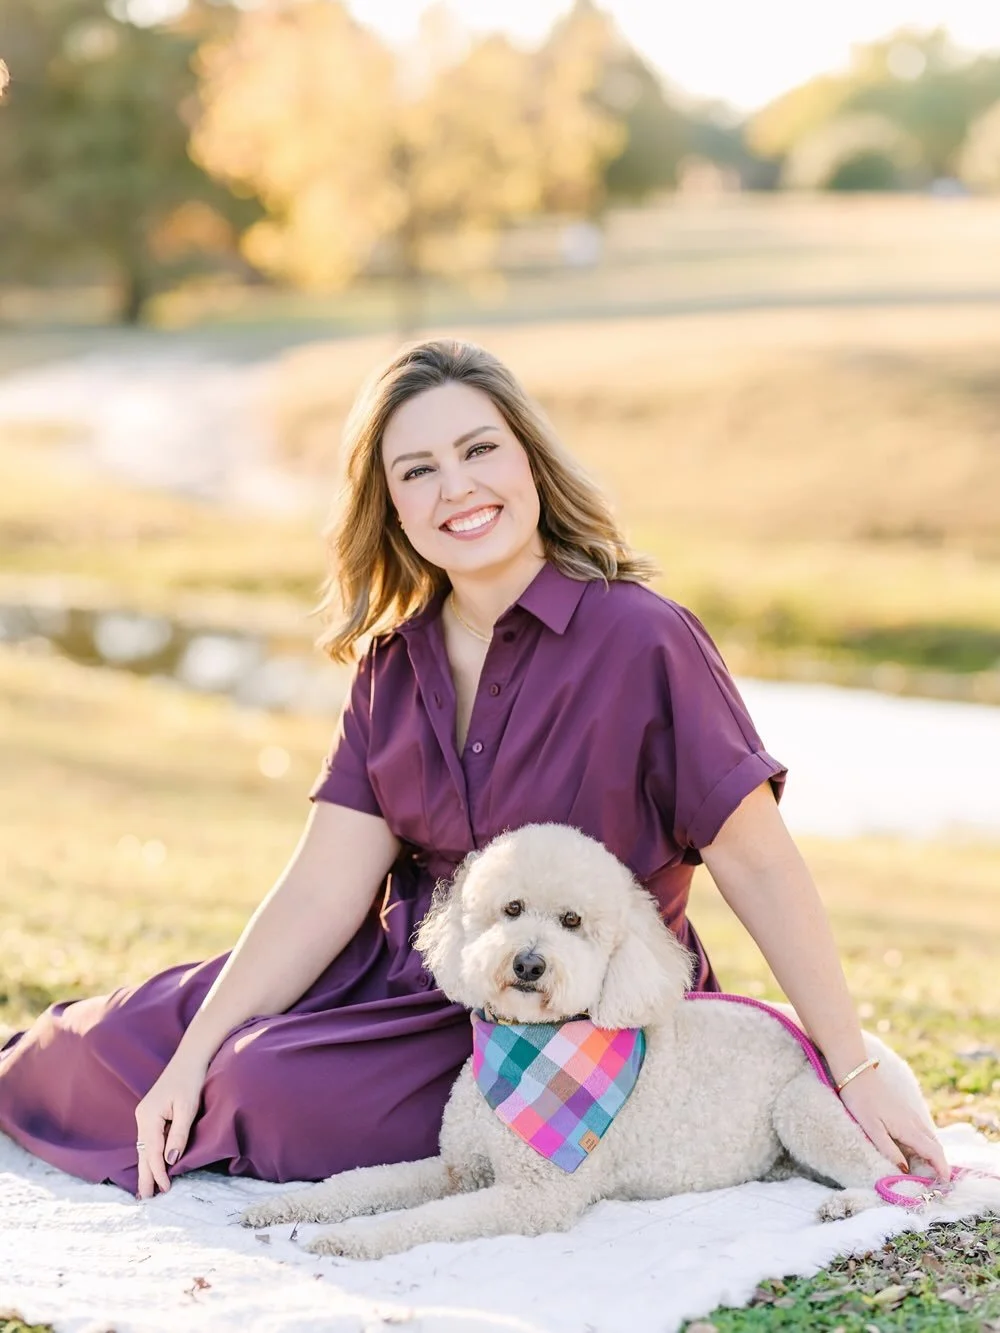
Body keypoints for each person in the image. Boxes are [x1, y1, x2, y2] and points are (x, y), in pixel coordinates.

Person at [0, 338, 947, 1201]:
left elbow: (760, 863)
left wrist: (852, 1066)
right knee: (94, 1044)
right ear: (392, 505)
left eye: (479, 450)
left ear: (528, 458)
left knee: (257, 1089)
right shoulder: (392, 660)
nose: (457, 486)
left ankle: (231, 1090)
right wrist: (189, 1044)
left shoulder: (644, 639)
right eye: (419, 468)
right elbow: (323, 888)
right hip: (396, 968)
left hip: (562, 1023)